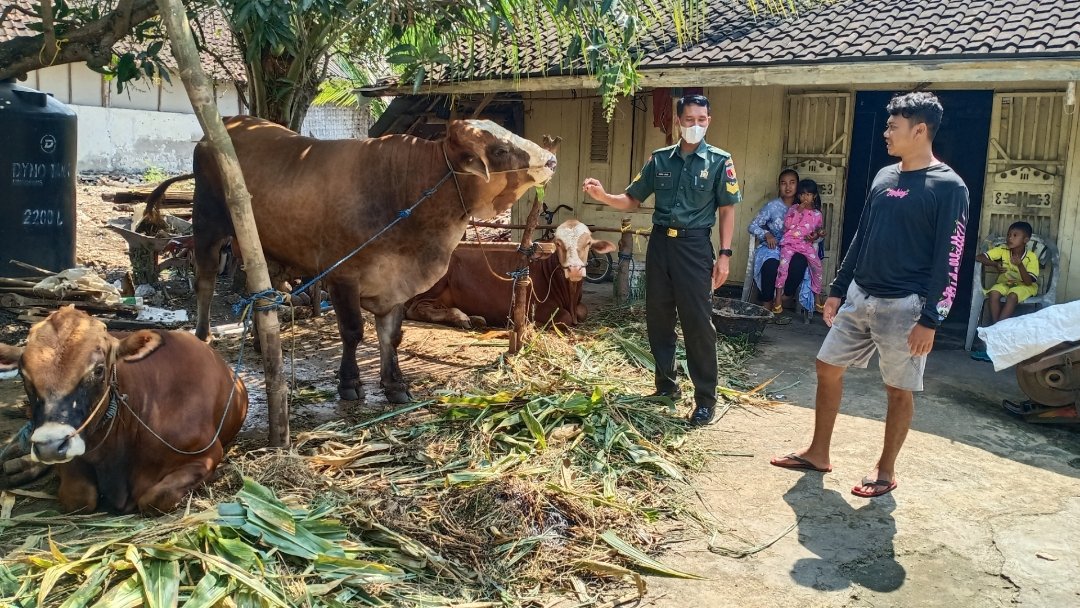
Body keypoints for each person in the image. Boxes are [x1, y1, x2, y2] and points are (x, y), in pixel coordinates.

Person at [769, 91, 969, 498]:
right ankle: (818, 452)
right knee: (827, 366)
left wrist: (932, 319)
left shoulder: (950, 187)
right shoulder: (884, 177)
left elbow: (951, 256)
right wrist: (838, 289)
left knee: (898, 388)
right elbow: (862, 236)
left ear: (920, 130)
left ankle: (885, 468)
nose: (885, 133)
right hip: (860, 296)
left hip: (906, 307)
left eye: (893, 127)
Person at [582, 94, 741, 426]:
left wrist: (725, 255)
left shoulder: (719, 161)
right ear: (678, 121)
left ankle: (705, 399)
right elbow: (632, 200)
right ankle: (666, 386)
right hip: (660, 246)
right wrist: (603, 196)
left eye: (701, 120)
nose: (695, 125)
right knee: (658, 319)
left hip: (694, 248)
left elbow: (727, 209)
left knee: (698, 324)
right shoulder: (659, 160)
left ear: (708, 121)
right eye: (689, 119)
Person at [970, 221, 1039, 361]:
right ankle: (998, 333)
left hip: (1024, 286)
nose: (1010, 238)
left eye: (1015, 235)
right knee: (993, 293)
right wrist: (995, 264)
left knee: (1012, 296)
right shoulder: (1003, 250)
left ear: (1025, 240)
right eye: (1008, 235)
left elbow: (1028, 282)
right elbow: (979, 257)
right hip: (1005, 283)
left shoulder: (1031, 257)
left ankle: (994, 339)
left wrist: (1020, 265)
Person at [769, 179, 825, 316]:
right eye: (802, 194)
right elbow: (787, 226)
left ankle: (817, 297)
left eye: (808, 194)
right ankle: (778, 299)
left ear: (814, 196)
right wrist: (798, 211)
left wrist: (817, 234)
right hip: (789, 243)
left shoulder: (817, 214)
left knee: (817, 267)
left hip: (805, 245)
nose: (805, 197)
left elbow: (817, 230)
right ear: (798, 196)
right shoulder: (794, 208)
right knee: (783, 269)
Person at [747, 169, 799, 305]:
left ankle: (785, 296)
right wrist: (766, 234)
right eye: (783, 183)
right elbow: (752, 226)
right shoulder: (772, 206)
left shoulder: (802, 208)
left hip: (794, 248)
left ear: (797, 185)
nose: (788, 187)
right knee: (770, 264)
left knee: (799, 262)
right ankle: (767, 304)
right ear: (779, 186)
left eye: (792, 182)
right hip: (773, 247)